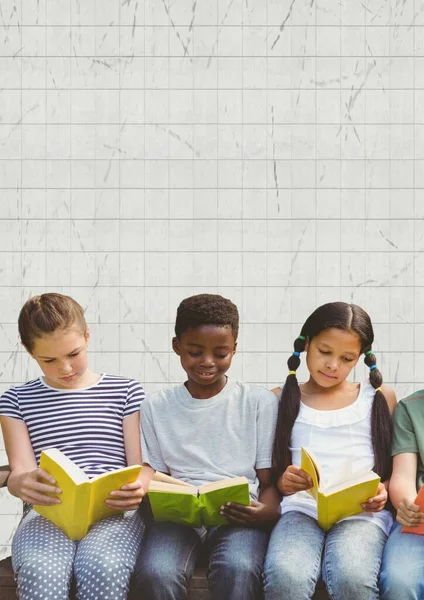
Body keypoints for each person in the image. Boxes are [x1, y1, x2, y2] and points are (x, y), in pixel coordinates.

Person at [0, 293, 151, 600]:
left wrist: (140, 486)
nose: (65, 368)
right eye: (49, 360)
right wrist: (21, 484)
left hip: (114, 512)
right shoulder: (16, 400)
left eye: (74, 353)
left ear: (87, 335)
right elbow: (21, 472)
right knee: (40, 570)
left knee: (103, 567)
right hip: (49, 513)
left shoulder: (125, 391)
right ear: (29, 353)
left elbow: (142, 465)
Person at [132, 293, 280, 600]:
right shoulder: (156, 407)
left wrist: (265, 512)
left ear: (235, 349)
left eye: (221, 353)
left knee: (239, 567)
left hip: (237, 515)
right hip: (178, 518)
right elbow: (155, 475)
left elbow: (267, 481)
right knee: (156, 572)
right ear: (177, 347)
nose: (208, 362)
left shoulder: (258, 403)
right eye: (195, 352)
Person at [263, 301, 397, 600]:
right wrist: (284, 481)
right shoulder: (281, 397)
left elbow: (393, 469)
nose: (333, 365)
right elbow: (271, 473)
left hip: (361, 515)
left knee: (353, 576)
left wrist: (383, 491)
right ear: (306, 344)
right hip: (302, 509)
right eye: (325, 352)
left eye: (347, 358)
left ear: (359, 359)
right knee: (286, 575)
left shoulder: (377, 398)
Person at [379, 390, 424, 599]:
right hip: (419, 520)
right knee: (400, 581)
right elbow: (403, 476)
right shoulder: (410, 408)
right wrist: (407, 504)